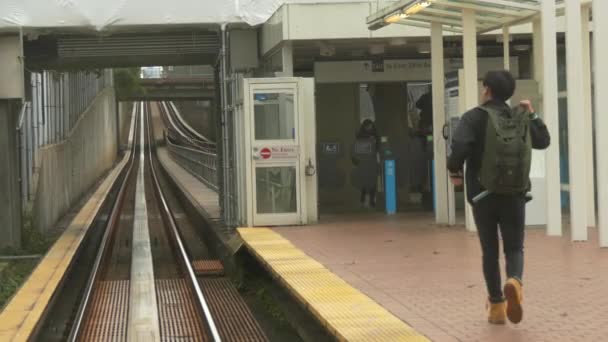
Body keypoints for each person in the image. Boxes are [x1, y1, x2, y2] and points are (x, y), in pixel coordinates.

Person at [447, 70, 550, 325]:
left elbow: (459, 147)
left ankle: (496, 306)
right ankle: (514, 281)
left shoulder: (473, 117)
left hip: (483, 196)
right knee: (514, 247)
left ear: (487, 90)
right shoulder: (519, 117)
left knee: (489, 250)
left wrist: (454, 171)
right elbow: (543, 141)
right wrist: (532, 113)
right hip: (514, 195)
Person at [351, 119, 380, 208]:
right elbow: (356, 148)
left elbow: (378, 148)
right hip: (364, 162)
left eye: (370, 126)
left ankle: (372, 200)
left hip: (372, 162)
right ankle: (363, 200)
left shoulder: (375, 136)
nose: (369, 128)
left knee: (373, 182)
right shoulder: (360, 136)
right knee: (364, 181)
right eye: (368, 126)